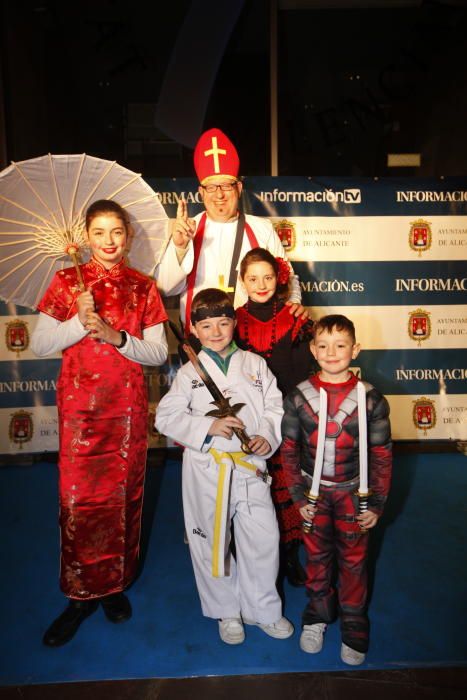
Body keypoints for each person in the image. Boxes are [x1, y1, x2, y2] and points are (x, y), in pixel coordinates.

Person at [31, 199, 168, 647]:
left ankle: (113, 586)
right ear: (86, 237)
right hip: (79, 411)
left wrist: (117, 337)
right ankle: (78, 595)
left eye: (117, 232)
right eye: (100, 232)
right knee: (78, 503)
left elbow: (159, 353)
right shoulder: (67, 281)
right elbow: (38, 344)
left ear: (128, 236)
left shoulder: (143, 286)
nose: (109, 242)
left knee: (122, 500)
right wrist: (77, 319)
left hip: (125, 410)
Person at [155, 288, 293, 645]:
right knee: (211, 542)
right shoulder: (188, 373)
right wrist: (207, 426)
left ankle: (262, 609)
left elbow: (275, 407)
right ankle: (225, 611)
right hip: (208, 468)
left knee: (263, 538)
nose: (215, 332)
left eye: (223, 323)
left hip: (251, 466)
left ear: (234, 323)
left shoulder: (255, 364)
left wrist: (266, 435)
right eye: (206, 326)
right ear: (195, 331)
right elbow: (166, 417)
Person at [280, 314, 392, 665]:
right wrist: (298, 497)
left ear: (355, 350)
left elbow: (381, 455)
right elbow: (288, 451)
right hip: (315, 498)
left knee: (355, 561)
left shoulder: (371, 399)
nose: (332, 353)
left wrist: (376, 502)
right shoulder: (298, 397)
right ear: (313, 349)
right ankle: (317, 613)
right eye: (323, 346)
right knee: (316, 558)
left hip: (353, 497)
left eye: (341, 345)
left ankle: (354, 620)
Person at [154, 127, 303, 334]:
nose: (219, 195)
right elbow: (165, 288)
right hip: (202, 344)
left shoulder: (263, 228)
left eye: (226, 186)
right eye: (212, 187)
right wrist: (179, 246)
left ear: (239, 189)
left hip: (253, 340)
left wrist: (294, 302)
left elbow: (287, 277)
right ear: (201, 192)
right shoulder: (187, 230)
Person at [235, 247, 315, 587]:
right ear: (243, 281)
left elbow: (308, 372)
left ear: (279, 279)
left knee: (289, 488)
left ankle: (290, 555)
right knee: (253, 489)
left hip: (288, 418)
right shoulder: (233, 320)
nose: (261, 284)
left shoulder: (297, 318)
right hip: (249, 419)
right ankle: (252, 554)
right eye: (253, 278)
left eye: (268, 277)